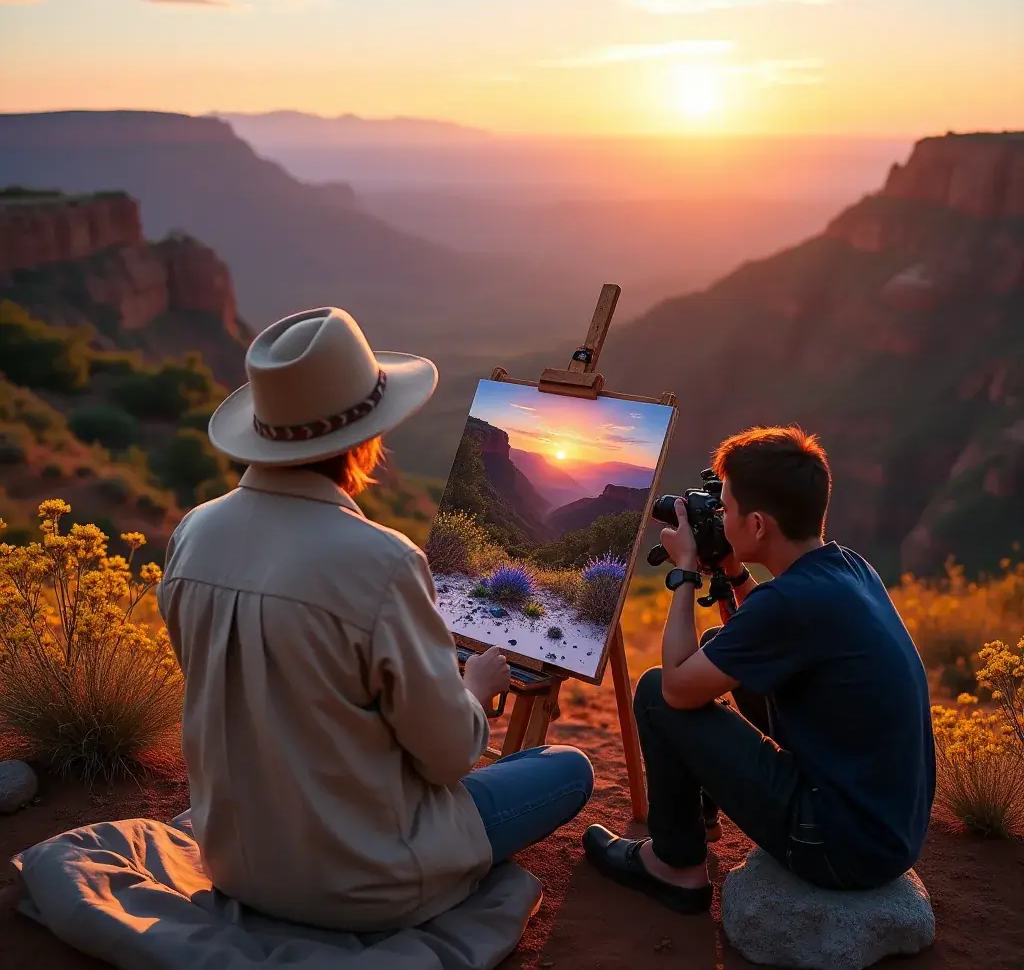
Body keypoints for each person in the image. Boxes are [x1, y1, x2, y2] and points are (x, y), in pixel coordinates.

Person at [157, 306, 594, 932]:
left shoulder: (193, 533)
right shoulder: (381, 560)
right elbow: (448, 759)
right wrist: (473, 691)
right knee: (566, 770)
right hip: (363, 880)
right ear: (366, 440)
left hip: (233, 859)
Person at [583, 426, 935, 913]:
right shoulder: (848, 567)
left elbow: (681, 690)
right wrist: (731, 572)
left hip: (835, 847)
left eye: (724, 509)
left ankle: (676, 865)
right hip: (889, 828)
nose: (718, 518)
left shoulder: (789, 603)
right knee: (717, 646)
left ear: (759, 526)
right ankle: (699, 815)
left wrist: (685, 571)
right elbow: (764, 631)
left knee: (656, 689)